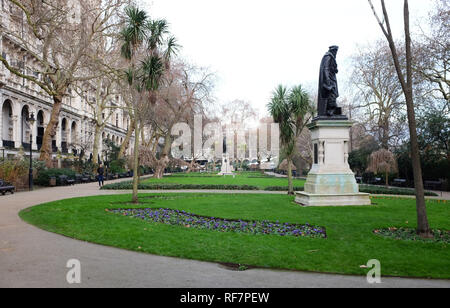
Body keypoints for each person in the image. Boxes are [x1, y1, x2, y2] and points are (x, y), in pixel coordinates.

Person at [318, 45, 341, 117]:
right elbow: (325, 69)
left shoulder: (330, 57)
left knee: (333, 94)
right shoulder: (328, 56)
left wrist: (334, 69)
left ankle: (332, 108)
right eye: (335, 51)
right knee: (332, 94)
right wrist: (328, 83)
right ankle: (330, 109)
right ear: (333, 51)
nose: (336, 53)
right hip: (329, 80)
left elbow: (330, 68)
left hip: (332, 79)